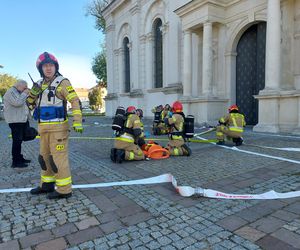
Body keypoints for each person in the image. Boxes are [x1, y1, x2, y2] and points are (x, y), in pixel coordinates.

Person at [27, 52, 83, 199]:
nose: (49, 68)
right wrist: (33, 94)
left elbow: (75, 101)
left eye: (51, 65)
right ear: (40, 69)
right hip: (43, 129)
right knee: (44, 158)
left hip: (59, 129)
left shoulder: (62, 82)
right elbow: (29, 103)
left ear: (55, 66)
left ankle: (64, 190)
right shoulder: (38, 84)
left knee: (58, 159)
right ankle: (47, 184)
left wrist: (77, 120)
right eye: (45, 66)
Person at [3, 80, 31, 168]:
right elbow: (17, 103)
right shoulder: (11, 91)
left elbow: (24, 104)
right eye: (24, 87)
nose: (25, 89)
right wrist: (25, 93)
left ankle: (19, 157)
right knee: (16, 141)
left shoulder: (18, 92)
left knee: (19, 141)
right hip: (15, 121)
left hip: (21, 120)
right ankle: (15, 162)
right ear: (19, 85)